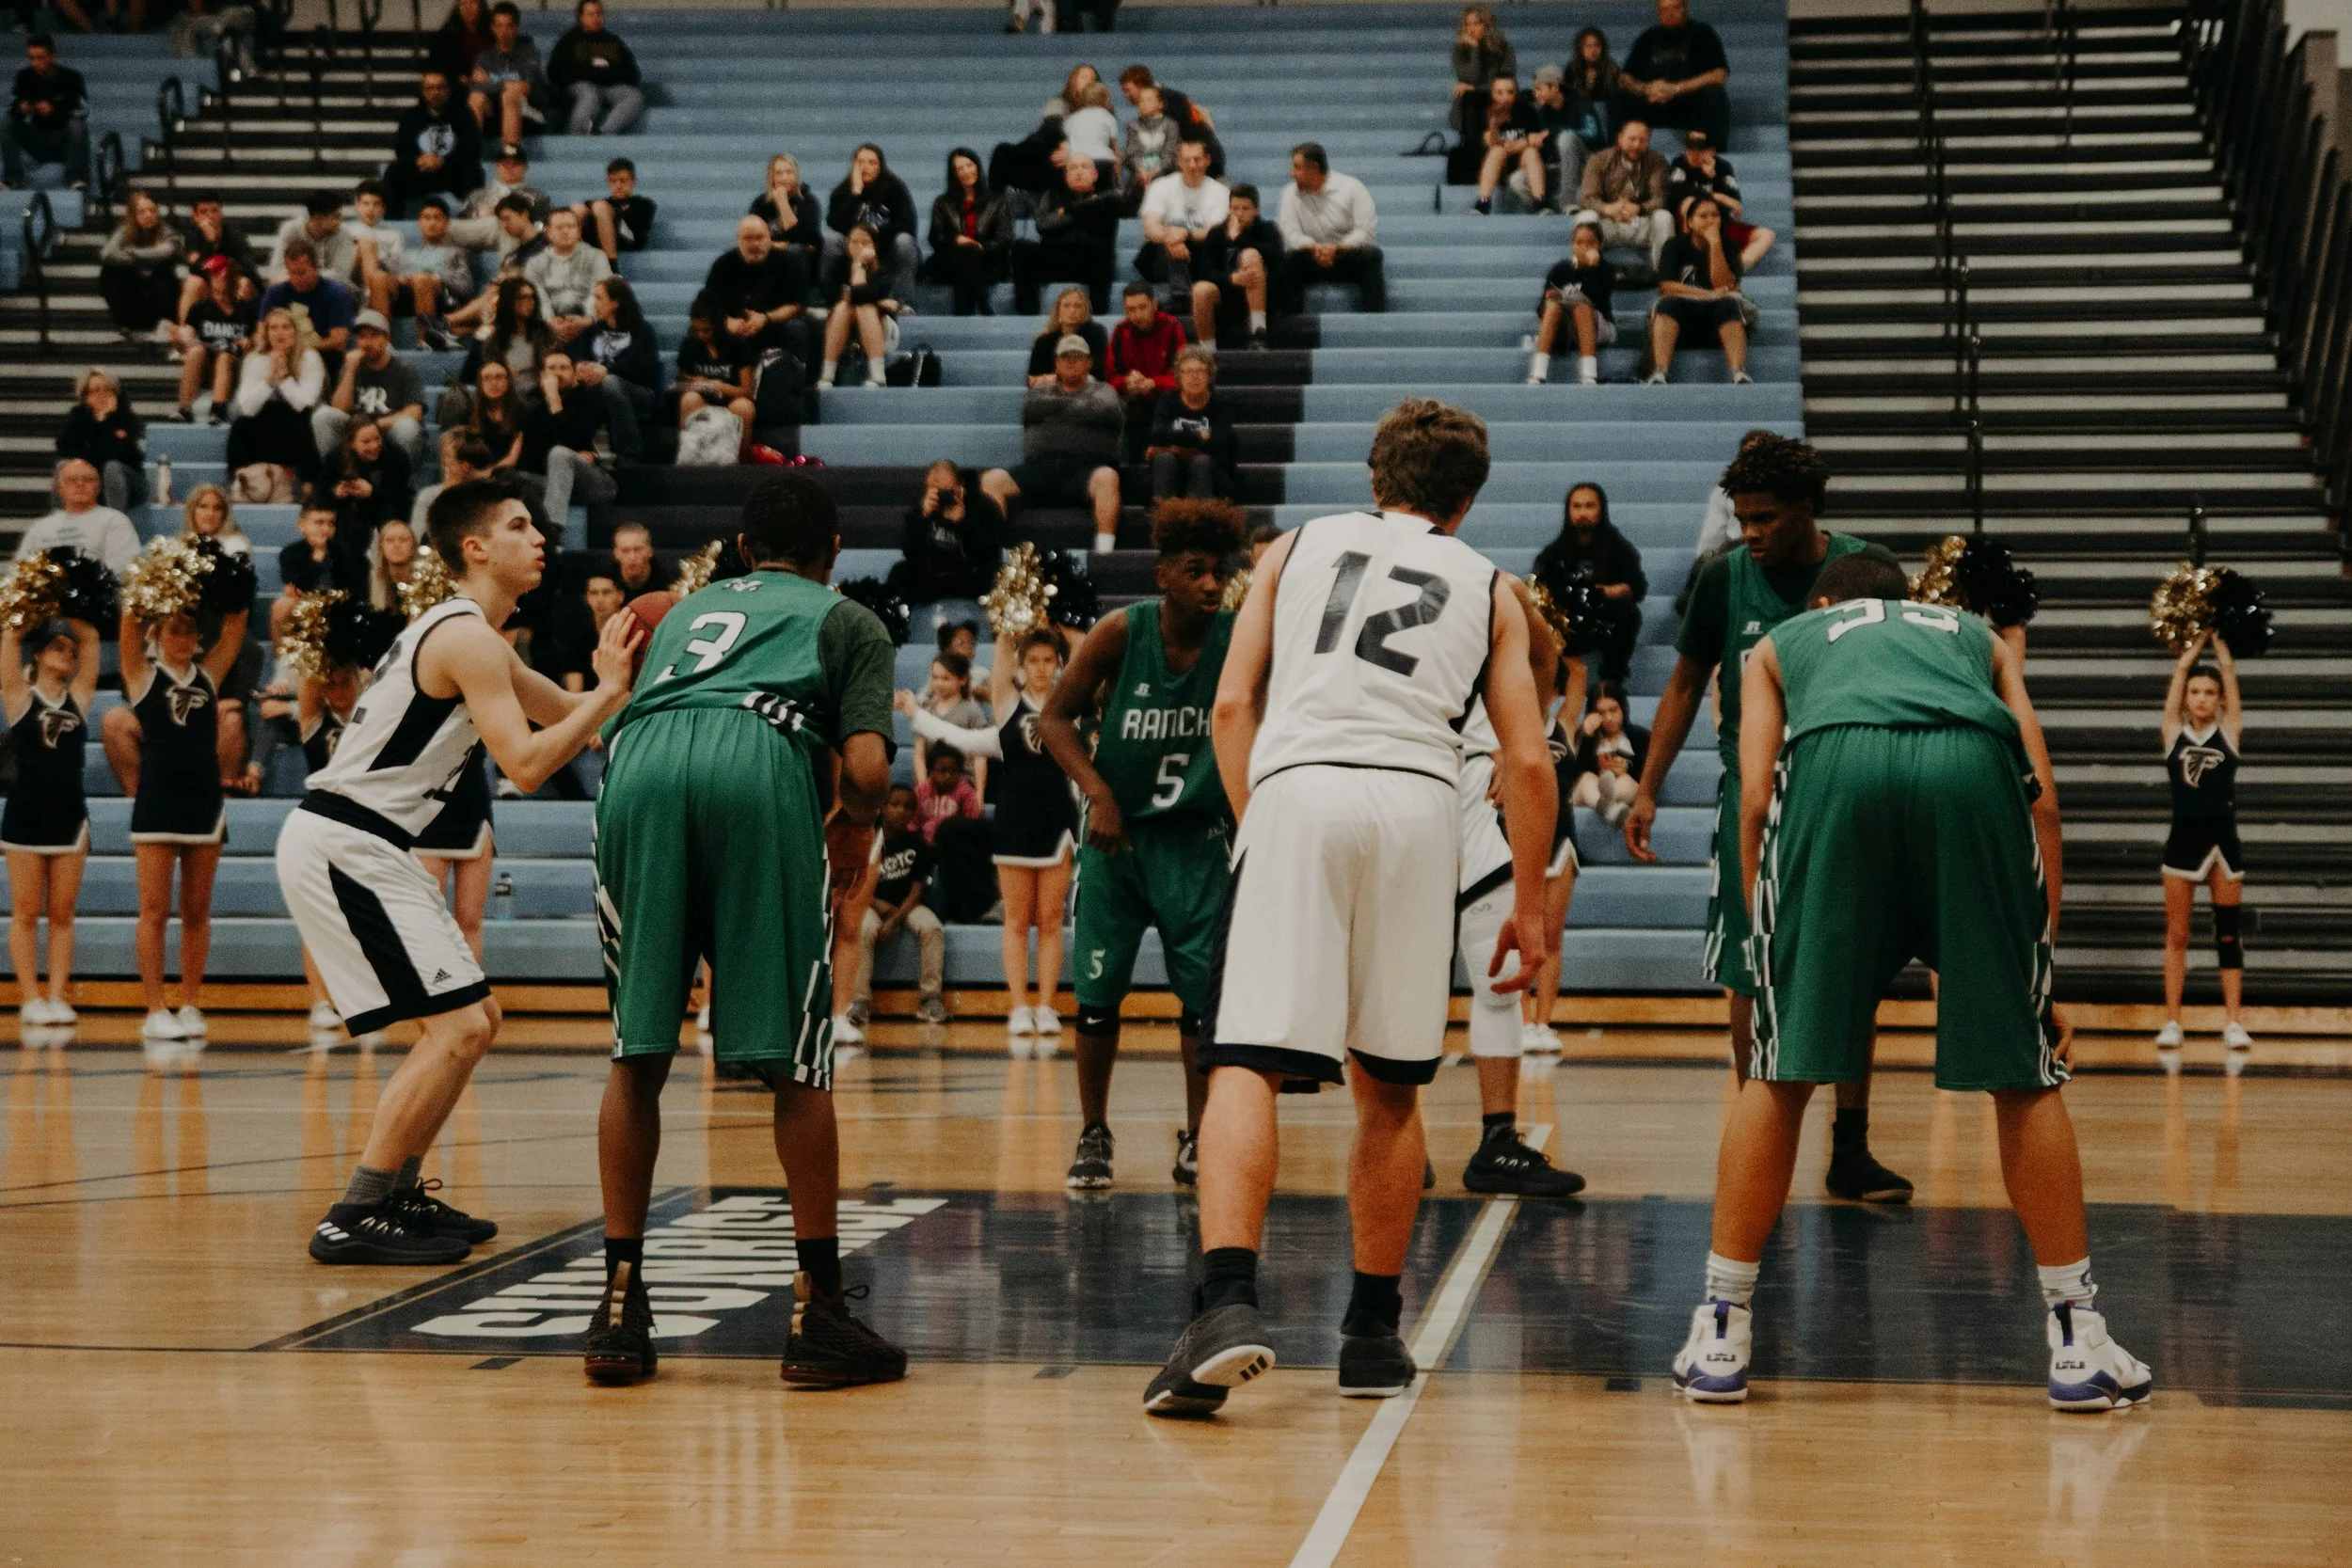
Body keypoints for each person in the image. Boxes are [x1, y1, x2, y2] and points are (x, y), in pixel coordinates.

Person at [1143, 399, 1556, 1418]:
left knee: (1242, 1055)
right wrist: (1533, 907)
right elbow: (1529, 759)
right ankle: (1372, 1330)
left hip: (1302, 784)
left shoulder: (1291, 547)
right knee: (1393, 1082)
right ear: (1465, 500)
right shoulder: (1493, 585)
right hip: (1419, 806)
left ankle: (1227, 1304)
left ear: (1375, 478)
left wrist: (1259, 822)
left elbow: (1232, 706)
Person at [1675, 552, 2153, 1414]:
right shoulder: (1976, 635)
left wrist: (1763, 942)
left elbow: (1752, 797)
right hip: (1969, 775)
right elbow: (2043, 799)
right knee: (2025, 1070)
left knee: (1779, 1073)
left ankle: (1720, 1328)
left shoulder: (1781, 641)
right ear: (1914, 603)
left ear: (1827, 604)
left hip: (1834, 777)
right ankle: (2079, 1338)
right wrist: (2040, 977)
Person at [584, 471, 904, 1387]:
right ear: (832, 550)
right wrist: (852, 828)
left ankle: (617, 1305)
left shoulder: (684, 609)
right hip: (756, 756)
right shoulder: (847, 618)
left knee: (635, 1049)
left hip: (640, 762)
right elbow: (871, 769)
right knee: (799, 1059)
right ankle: (822, 1311)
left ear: (739, 550)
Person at [285, 476, 640, 1264]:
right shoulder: (469, 638)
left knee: (474, 1022)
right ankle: (357, 1209)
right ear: (474, 548)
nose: (540, 536)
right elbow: (527, 760)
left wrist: (638, 692)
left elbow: (563, 714)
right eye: (519, 525)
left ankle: (398, 1193)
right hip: (346, 840)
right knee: (456, 1027)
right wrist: (608, 690)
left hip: (372, 842)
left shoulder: (475, 635)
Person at [1624, 433, 1912, 1204]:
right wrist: (1647, 787)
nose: (1749, 531)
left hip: (1844, 789)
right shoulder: (1723, 579)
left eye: (1765, 517)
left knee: (1852, 971)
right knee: (1749, 971)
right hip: (1752, 796)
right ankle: (1762, 1133)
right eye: (1741, 516)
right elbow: (1685, 686)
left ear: (1809, 510)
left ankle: (1850, 1148)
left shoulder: (1865, 569)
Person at [1037, 498, 1244, 1189]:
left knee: (1201, 1003)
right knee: (1097, 996)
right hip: (1116, 836)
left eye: (1220, 572)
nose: (1212, 585)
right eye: (1197, 571)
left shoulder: (1240, 639)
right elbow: (1054, 718)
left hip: (1195, 840)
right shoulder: (1120, 633)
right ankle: (1094, 1130)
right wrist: (1097, 792)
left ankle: (1199, 1135)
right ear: (1163, 574)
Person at [1451, 572, 1586, 1196]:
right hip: (1402, 787)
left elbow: (1546, 656)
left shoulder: (1481, 585)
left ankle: (1497, 1138)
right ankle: (1394, 1131)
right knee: (1400, 990)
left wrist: (1515, 734)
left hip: (1468, 790)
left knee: (1498, 978)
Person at [903, 627, 1078, 1049]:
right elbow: (998, 675)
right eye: (1032, 660)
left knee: (1051, 921)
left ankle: (1047, 1005)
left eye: (1047, 660)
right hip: (1016, 824)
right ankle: (1019, 1005)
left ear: (1058, 665)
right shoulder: (1006, 707)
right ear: (1022, 665)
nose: (1040, 668)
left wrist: (1053, 623)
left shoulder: (1069, 706)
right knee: (1017, 921)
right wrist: (1007, 631)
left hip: (1058, 825)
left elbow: (1087, 647)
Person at [118, 591, 248, 1045]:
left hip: (203, 801)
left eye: (190, 630)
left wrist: (224, 580)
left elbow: (235, 626)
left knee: (197, 911)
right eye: (174, 629)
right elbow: (128, 629)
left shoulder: (208, 676)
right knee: (154, 910)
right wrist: (153, 586)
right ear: (158, 634)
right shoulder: (141, 676)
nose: (183, 637)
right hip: (157, 800)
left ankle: (191, 1002)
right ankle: (154, 1008)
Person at [2, 615, 100, 1028]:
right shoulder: (21, 699)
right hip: (25, 815)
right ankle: (30, 998)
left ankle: (58, 995)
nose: (69, 655)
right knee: (25, 912)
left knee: (63, 913)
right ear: (39, 654)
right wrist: (29, 608)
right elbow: (9, 640)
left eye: (70, 651)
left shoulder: (78, 698)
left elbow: (92, 638)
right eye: (58, 647)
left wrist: (71, 604)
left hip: (69, 816)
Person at [2156, 630, 2251, 1052]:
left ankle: (2233, 1022)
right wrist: (2193, 648)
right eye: (2195, 691)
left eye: (2209, 692)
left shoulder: (2229, 733)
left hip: (2224, 845)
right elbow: (2178, 677)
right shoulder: (2173, 734)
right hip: (2182, 843)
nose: (2201, 698)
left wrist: (2222, 645)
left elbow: (2231, 678)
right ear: (2185, 698)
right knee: (2178, 935)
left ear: (2220, 701)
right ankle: (2172, 1022)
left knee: (2228, 934)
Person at [979, 335, 1125, 555]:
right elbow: (1031, 408)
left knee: (1108, 478)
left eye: (1078, 357)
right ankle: (993, 555)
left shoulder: (1103, 390)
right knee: (992, 480)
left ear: (1089, 363)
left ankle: (1104, 555)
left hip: (1085, 469)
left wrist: (1055, 408)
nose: (1071, 361)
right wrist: (1078, 407)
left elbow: (1104, 409)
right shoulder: (1038, 393)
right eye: (1065, 357)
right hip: (1039, 468)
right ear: (1056, 363)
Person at [846, 784, 949, 1031]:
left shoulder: (917, 844)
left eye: (908, 807)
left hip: (907, 906)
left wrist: (895, 918)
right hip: (870, 903)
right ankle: (858, 1002)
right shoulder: (867, 839)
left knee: (932, 927)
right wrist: (875, 904)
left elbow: (917, 890)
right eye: (895, 804)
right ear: (882, 807)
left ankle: (929, 999)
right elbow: (855, 883)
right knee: (864, 929)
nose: (901, 811)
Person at [1534, 482, 1646, 684]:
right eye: (1576, 506)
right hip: (1569, 623)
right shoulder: (1553, 553)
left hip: (1603, 618)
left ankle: (1611, 682)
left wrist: (1611, 591)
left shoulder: (1620, 549)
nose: (1582, 512)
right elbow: (1539, 589)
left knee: (1628, 612)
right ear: (1568, 511)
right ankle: (1559, 679)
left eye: (1589, 506)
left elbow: (1636, 587)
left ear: (1601, 509)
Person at [1647, 194, 1752, 385]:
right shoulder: (1674, 245)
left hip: (1717, 323)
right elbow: (1666, 286)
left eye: (1715, 215)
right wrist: (1707, 295)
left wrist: (1715, 245)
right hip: (1682, 322)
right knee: (1667, 304)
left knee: (1729, 304)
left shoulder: (1729, 247)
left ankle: (1739, 372)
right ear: (1690, 222)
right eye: (1703, 216)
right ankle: (1660, 371)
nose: (1710, 221)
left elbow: (1725, 286)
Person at [228, 307, 327, 494]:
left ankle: (310, 490)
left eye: (285, 327)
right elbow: (247, 408)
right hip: (265, 430)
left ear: (295, 331)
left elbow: (304, 405)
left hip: (297, 428)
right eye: (273, 328)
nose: (279, 333)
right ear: (266, 333)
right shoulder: (256, 360)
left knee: (300, 421)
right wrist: (268, 379)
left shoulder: (310, 358)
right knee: (240, 426)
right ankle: (239, 482)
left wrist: (284, 377)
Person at [1277, 144, 1384, 313]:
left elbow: (1365, 232)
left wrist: (1336, 248)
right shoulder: (1290, 193)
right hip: (1312, 255)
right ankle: (1293, 325)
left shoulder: (1353, 188)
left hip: (1345, 255)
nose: (1292, 173)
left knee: (1372, 256)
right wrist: (1316, 247)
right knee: (1289, 260)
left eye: (1296, 167)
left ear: (1313, 168)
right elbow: (1290, 234)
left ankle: (1374, 320)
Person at [1614, 0, 1732, 152]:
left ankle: (1713, 155)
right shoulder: (1648, 38)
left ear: (1685, 9)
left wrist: (1676, 89)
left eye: (1674, 8)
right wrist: (1646, 89)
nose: (1669, 14)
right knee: (1619, 96)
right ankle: (1619, 155)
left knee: (1715, 94)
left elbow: (1719, 76)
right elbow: (1625, 78)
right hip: (1654, 103)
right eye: (1664, 10)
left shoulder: (1703, 34)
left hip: (1690, 105)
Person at [313, 309, 426, 467]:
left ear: (386, 338)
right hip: (356, 433)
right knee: (322, 415)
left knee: (408, 426)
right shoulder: (351, 367)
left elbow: (415, 412)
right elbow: (339, 409)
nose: (367, 342)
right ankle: (338, 474)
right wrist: (350, 371)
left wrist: (375, 426)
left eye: (374, 336)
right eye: (362, 337)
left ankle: (397, 480)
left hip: (387, 433)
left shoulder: (405, 369)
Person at [416, 738, 494, 960]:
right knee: (429, 919)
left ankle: (472, 992)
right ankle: (435, 991)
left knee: (470, 919)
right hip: (426, 812)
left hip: (473, 809)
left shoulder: (481, 704)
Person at [1012, 154, 1120, 315]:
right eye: (1073, 168)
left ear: (1095, 175)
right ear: (1066, 175)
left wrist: (1065, 212)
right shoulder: (1051, 195)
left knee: (1102, 253)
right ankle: (1027, 314)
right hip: (1054, 258)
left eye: (1084, 167)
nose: (1079, 172)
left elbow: (1103, 233)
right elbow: (1043, 225)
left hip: (1089, 261)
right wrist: (1083, 211)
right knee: (1021, 248)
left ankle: (1097, 315)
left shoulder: (1108, 199)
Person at [703, 214, 814, 369]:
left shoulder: (789, 262)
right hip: (734, 326)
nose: (754, 244)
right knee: (701, 327)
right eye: (748, 238)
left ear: (770, 238)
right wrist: (726, 322)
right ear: (737, 240)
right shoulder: (722, 266)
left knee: (796, 328)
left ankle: (797, 379)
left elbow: (797, 305)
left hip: (773, 324)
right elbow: (707, 304)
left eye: (760, 238)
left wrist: (766, 318)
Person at [823, 143, 921, 307]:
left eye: (872, 162)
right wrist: (855, 193)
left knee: (905, 241)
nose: (866, 167)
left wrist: (876, 232)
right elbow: (835, 223)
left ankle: (904, 303)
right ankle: (831, 300)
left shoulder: (895, 187)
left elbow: (908, 224)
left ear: (880, 166)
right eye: (861, 162)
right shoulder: (843, 191)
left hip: (885, 248)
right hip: (854, 249)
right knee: (832, 241)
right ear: (853, 166)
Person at [896, 460, 1006, 603]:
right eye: (935, 491)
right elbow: (909, 551)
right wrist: (923, 518)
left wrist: (961, 524)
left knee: (996, 574)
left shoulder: (983, 506)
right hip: (933, 575)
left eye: (946, 491)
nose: (942, 497)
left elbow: (989, 554)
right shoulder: (923, 507)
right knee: (899, 573)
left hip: (969, 575)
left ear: (960, 486)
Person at [576, 276, 660, 461]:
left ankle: (630, 452)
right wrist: (582, 367)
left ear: (615, 303)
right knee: (591, 386)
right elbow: (581, 358)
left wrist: (607, 371)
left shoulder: (642, 330)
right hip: (598, 392)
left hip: (639, 394)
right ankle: (593, 451)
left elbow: (644, 368)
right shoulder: (592, 331)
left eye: (599, 298)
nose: (594, 304)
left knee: (610, 382)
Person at [525, 351, 615, 521]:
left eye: (564, 368)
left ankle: (553, 530)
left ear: (574, 374)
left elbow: (570, 441)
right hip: (554, 483)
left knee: (559, 454)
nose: (557, 373)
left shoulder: (591, 398)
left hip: (595, 482)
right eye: (552, 368)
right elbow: (531, 457)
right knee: (509, 477)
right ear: (542, 375)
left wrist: (554, 399)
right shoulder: (534, 405)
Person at [1188, 182, 1279, 351]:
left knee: (1250, 255)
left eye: (1245, 209)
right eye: (1235, 208)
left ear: (1257, 210)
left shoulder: (1268, 229)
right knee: (1200, 290)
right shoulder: (1217, 232)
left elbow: (1277, 259)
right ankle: (1207, 350)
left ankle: (1258, 333)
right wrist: (1231, 278)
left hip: (1260, 294)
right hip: (1226, 293)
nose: (1239, 214)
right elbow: (1205, 272)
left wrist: (1239, 239)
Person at [382, 70, 485, 218]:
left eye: (440, 87)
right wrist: (418, 160)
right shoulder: (411, 116)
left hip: (451, 171)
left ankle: (471, 220)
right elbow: (402, 149)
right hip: (421, 171)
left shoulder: (463, 114)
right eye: (430, 88)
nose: (435, 92)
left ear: (448, 90)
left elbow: (473, 148)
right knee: (393, 173)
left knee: (474, 173)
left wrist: (443, 161)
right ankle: (393, 222)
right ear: (422, 91)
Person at [1668, 127, 1774, 269]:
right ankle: (1691, 262)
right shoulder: (1679, 164)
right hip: (1686, 227)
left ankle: (1737, 269)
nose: (1693, 154)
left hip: (1718, 224)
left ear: (1712, 151)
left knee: (1766, 235)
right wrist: (1716, 196)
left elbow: (1734, 204)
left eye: (1699, 150)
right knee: (1689, 203)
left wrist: (1713, 178)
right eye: (1689, 149)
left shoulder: (1723, 167)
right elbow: (1676, 193)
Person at [1578, 118, 1672, 273]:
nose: (1636, 145)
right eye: (1632, 139)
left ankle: (1663, 274)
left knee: (1664, 217)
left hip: (1640, 222)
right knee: (1586, 218)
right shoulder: (1598, 160)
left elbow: (1660, 199)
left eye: (1642, 141)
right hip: (1609, 223)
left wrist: (1638, 208)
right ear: (1620, 138)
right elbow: (1587, 198)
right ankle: (1587, 272)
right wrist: (1608, 209)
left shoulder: (1657, 161)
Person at [925, 148, 1010, 317]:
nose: (966, 171)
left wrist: (979, 246)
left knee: (970, 254)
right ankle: (982, 302)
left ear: (977, 166)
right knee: (965, 255)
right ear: (953, 174)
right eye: (959, 168)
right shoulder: (943, 202)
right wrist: (956, 240)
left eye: (969, 165)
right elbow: (935, 237)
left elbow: (1005, 239)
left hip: (989, 261)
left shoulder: (997, 201)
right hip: (952, 261)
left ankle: (963, 313)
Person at [1528, 220, 1615, 386]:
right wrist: (1550, 299)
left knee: (1581, 308)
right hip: (1567, 328)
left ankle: (1589, 374)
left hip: (1599, 326)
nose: (1584, 247)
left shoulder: (1605, 269)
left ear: (1600, 245)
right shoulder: (1560, 269)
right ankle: (1538, 373)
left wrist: (1591, 268)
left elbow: (1596, 297)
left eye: (1590, 243)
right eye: (1579, 242)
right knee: (1553, 308)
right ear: (1572, 244)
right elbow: (1540, 310)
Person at [816, 224, 902, 390]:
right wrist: (875, 300)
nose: (859, 247)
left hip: (884, 330)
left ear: (874, 246)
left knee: (864, 308)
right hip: (842, 326)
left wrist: (860, 267)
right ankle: (827, 376)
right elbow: (832, 295)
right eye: (854, 242)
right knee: (843, 308)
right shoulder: (838, 266)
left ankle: (878, 376)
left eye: (865, 242)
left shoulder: (885, 270)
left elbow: (860, 296)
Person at [1107, 279, 1186, 461]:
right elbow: (1111, 378)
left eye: (1142, 307)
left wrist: (1153, 383)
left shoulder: (1171, 326)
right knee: (1127, 406)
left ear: (1155, 304)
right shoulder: (1121, 330)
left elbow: (1181, 375)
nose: (1137, 315)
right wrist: (1126, 381)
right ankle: (1133, 465)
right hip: (1135, 400)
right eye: (1131, 310)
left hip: (1165, 396)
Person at [17, 459, 139, 573]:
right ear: (60, 488)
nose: (80, 484)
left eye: (88, 479)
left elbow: (124, 566)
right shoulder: (40, 527)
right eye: (72, 479)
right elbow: (22, 568)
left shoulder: (115, 521)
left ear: (98, 488)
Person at [1136, 138, 1227, 291]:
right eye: (1187, 160)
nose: (1192, 165)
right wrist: (1172, 240)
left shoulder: (1221, 191)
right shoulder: (1161, 186)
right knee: (1174, 248)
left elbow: (1215, 230)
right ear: (1179, 162)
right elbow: (1150, 227)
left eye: (1197, 160)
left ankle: (1182, 297)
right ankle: (1181, 297)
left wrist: (1186, 234)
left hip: (1199, 254)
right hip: (1160, 256)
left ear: (1207, 160)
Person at [174, 257, 257, 422]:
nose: (217, 280)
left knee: (224, 357)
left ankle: (218, 409)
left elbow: (258, 339)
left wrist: (250, 343)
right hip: (207, 363)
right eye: (213, 276)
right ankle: (184, 409)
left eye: (221, 276)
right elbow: (187, 338)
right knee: (196, 351)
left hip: (235, 363)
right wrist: (180, 340)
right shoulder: (200, 308)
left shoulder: (247, 310)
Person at [3, 35, 90, 191]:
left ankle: (76, 177)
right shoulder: (24, 77)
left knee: (77, 125)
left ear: (52, 57)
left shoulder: (71, 78)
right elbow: (14, 105)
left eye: (41, 58)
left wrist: (55, 110)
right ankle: (13, 177)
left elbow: (83, 110)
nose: (36, 63)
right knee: (6, 121)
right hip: (37, 137)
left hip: (64, 139)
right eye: (32, 58)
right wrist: (21, 109)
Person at [256, 238, 358, 370]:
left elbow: (339, 341)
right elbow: (261, 331)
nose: (297, 278)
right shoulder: (275, 293)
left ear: (315, 268)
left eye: (302, 272)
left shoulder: (335, 293)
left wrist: (299, 347)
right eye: (292, 273)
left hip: (325, 359)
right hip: (281, 355)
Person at [55, 369, 145, 514]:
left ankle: (116, 522)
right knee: (63, 466)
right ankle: (60, 520)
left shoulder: (125, 417)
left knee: (112, 468)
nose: (101, 396)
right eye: (95, 391)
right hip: (90, 478)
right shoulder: (77, 416)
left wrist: (103, 422)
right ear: (85, 397)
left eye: (107, 390)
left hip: (127, 483)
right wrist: (99, 423)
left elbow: (123, 455)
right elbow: (65, 449)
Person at [1146, 347, 1231, 499]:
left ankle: (1201, 520)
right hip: (1173, 470)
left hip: (1211, 473)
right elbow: (1157, 434)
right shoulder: (1167, 400)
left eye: (1200, 371)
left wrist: (1176, 448)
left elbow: (1221, 445)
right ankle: (1164, 518)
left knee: (1201, 462)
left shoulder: (1221, 404)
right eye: (1188, 372)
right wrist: (1199, 439)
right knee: (1164, 459)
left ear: (1209, 375)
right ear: (1179, 376)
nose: (1194, 377)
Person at [275, 498, 368, 636]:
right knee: (282, 606)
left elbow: (351, 591)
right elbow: (295, 589)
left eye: (331, 524)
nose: (326, 529)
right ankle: (283, 657)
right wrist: (317, 558)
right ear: (301, 525)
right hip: (305, 608)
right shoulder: (290, 553)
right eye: (319, 523)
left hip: (339, 607)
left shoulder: (347, 553)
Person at [98, 190, 184, 339]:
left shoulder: (168, 232)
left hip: (158, 301)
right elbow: (106, 253)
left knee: (162, 270)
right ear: (133, 215)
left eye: (152, 210)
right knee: (109, 272)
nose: (148, 215)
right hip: (134, 300)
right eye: (142, 211)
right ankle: (123, 327)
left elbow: (166, 252)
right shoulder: (125, 231)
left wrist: (132, 252)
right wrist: (141, 261)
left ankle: (165, 325)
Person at [548, 0, 643, 135]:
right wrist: (601, 72)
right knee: (589, 94)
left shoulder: (613, 41)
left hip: (610, 86)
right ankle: (574, 137)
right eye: (591, 14)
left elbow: (632, 73)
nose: (596, 18)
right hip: (579, 88)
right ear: (581, 17)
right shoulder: (568, 41)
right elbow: (556, 72)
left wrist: (593, 72)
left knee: (634, 96)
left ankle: (604, 133)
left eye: (599, 14)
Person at [1518, 64, 1602, 214]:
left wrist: (1553, 131)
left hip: (1587, 166)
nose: (1536, 95)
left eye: (1539, 89)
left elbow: (1592, 133)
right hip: (1560, 169)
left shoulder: (1581, 103)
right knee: (1518, 180)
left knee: (1566, 138)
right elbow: (1546, 146)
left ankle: (1569, 202)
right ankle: (1545, 206)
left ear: (1554, 87)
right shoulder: (1543, 112)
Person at [671, 292, 756, 436]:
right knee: (689, 399)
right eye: (696, 330)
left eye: (706, 331)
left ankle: (738, 457)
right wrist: (694, 381)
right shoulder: (690, 344)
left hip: (732, 400)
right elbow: (684, 377)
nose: (700, 335)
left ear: (717, 326)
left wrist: (717, 386)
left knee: (744, 407)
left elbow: (746, 391)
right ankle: (691, 454)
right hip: (703, 399)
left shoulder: (737, 345)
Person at [523, 208, 612, 345]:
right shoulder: (535, 263)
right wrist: (550, 321)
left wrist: (588, 319)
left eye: (571, 227)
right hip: (547, 327)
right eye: (559, 227)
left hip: (591, 323)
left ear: (579, 230)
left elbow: (601, 292)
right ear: (548, 232)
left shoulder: (597, 257)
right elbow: (538, 296)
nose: (565, 231)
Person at [469, 2, 551, 148]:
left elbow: (525, 87)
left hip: (528, 114)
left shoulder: (529, 54)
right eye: (499, 26)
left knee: (510, 96)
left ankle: (510, 156)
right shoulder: (485, 57)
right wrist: (506, 84)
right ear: (493, 28)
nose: (504, 31)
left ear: (516, 28)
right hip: (495, 113)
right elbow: (474, 86)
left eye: (508, 26)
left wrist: (490, 84)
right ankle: (471, 159)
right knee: (476, 98)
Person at [1117, 66, 1222, 180]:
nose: (1126, 96)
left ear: (1141, 86)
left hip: (1201, 159)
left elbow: (1175, 142)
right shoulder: (1162, 102)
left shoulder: (1172, 101)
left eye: (1128, 90)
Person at [171, 195, 261, 326]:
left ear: (221, 213)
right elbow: (195, 268)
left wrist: (225, 275)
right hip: (209, 286)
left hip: (232, 282)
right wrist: (210, 243)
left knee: (244, 283)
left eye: (214, 210)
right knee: (192, 283)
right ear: (195, 217)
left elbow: (248, 267)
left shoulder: (235, 235)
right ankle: (185, 333)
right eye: (204, 212)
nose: (210, 216)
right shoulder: (192, 237)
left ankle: (242, 332)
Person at [910, 646, 990, 792]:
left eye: (946, 678)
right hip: (932, 783)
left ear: (962, 680)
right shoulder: (925, 712)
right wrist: (923, 787)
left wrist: (978, 793)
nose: (939, 683)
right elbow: (919, 755)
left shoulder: (972, 711)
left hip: (963, 784)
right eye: (935, 677)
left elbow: (979, 758)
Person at [399, 198, 475, 349]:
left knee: (423, 279)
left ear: (446, 223)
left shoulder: (456, 252)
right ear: (419, 222)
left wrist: (436, 277)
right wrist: (399, 279)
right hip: (408, 295)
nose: (432, 223)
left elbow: (466, 287)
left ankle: (426, 341)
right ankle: (382, 341)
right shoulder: (407, 254)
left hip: (443, 298)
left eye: (437, 218)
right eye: (426, 218)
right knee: (379, 279)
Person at [1572, 680, 1646, 827]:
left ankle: (1607, 802)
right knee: (1587, 778)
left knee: (1627, 781)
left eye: (1613, 710)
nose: (1608, 718)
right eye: (1601, 713)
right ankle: (1608, 808)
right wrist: (1586, 735)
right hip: (1587, 791)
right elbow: (1572, 774)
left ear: (1623, 709)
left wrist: (1626, 769)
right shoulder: (1586, 736)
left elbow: (1650, 776)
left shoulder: (1640, 737)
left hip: (1621, 789)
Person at [1472, 75, 1548, 216]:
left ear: (1516, 93)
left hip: (1522, 164)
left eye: (1510, 92)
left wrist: (1523, 144)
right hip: (1498, 167)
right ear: (1492, 94)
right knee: (1497, 151)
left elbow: (1538, 139)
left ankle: (1539, 201)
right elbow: (1489, 142)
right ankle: (1483, 202)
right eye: (1500, 92)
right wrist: (1494, 125)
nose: (1505, 97)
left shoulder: (1528, 111)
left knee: (1531, 152)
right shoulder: (1486, 112)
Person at [327, 420, 413, 537]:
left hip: (386, 507)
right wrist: (336, 491)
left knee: (388, 510)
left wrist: (372, 492)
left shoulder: (396, 456)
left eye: (377, 438)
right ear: (351, 443)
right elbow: (323, 487)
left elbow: (400, 494)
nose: (374, 445)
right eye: (366, 442)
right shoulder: (336, 457)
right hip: (349, 509)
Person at [268, 192, 358, 292]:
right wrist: (301, 278)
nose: (340, 222)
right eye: (335, 217)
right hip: (296, 288)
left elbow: (341, 275)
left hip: (331, 291)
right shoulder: (290, 230)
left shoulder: (343, 234)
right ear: (317, 218)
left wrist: (306, 275)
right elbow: (277, 270)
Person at [344, 180, 408, 320]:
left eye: (376, 204)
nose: (370, 209)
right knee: (365, 245)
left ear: (383, 209)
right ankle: (368, 295)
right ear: (357, 205)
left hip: (385, 279)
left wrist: (374, 254)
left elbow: (397, 269)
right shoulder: (345, 230)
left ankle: (368, 296)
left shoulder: (394, 235)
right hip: (352, 278)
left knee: (378, 277)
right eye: (366, 204)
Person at [573, 155, 655, 264]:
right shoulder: (602, 203)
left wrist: (607, 213)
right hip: (599, 238)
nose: (618, 186)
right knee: (578, 209)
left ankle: (612, 266)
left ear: (633, 181)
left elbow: (637, 228)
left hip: (628, 239)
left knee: (600, 207)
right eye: (613, 181)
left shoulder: (643, 204)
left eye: (623, 181)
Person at [1450, 5, 1517, 138]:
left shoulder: (1503, 47)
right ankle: (1472, 147)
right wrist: (1475, 50)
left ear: (1487, 25)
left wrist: (1476, 88)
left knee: (1475, 96)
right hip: (1473, 100)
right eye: (1468, 24)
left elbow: (1507, 81)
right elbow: (1470, 77)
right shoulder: (1460, 50)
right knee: (1470, 98)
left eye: (1476, 24)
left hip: (1499, 96)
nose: (1471, 29)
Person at [749, 152, 823, 268]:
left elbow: (805, 239)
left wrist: (783, 203)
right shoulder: (760, 204)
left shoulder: (808, 201)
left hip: (801, 260)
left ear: (796, 175)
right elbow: (753, 235)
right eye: (779, 173)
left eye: (789, 172)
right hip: (769, 255)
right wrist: (774, 245)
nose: (784, 178)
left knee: (794, 252)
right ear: (771, 178)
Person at [455, 357, 529, 473]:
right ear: (480, 384)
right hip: (475, 475)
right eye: (487, 378)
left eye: (499, 377)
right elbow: (463, 454)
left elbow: (512, 459)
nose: (493, 383)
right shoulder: (468, 414)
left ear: (508, 381)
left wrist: (487, 474)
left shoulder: (522, 413)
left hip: (510, 475)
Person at [1026, 287, 1108, 385]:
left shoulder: (1096, 335)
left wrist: (1057, 378)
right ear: (1058, 310)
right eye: (1066, 306)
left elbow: (1098, 372)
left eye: (1077, 306)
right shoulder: (1044, 341)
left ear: (1085, 311)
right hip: (1051, 391)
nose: (1072, 310)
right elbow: (1032, 379)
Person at [1120, 82, 1177, 201]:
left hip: (1165, 173)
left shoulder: (1170, 125)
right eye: (1140, 100)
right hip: (1140, 176)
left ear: (1160, 103)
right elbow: (1132, 153)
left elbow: (1170, 153)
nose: (1143, 104)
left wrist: (1156, 171)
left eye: (1148, 99)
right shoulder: (1133, 126)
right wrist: (1141, 170)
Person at [1061, 80, 1120, 181]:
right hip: (1103, 161)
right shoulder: (1108, 117)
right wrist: (1119, 179)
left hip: (1078, 162)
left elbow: (1066, 143)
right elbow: (1114, 148)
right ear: (1106, 100)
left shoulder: (1072, 119)